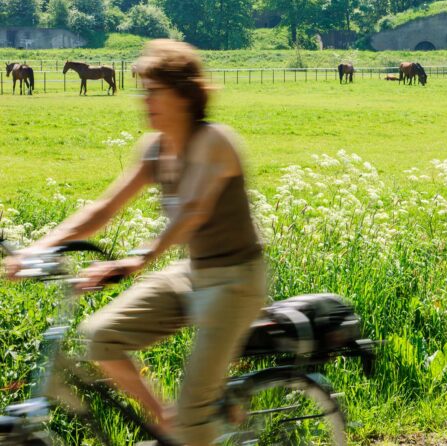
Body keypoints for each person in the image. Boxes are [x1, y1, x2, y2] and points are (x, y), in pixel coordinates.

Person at [4, 39, 267, 446]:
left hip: (236, 281)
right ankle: (164, 419)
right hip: (194, 272)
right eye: (141, 90)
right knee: (100, 336)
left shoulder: (215, 141)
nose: (142, 100)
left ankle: (191, 428)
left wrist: (133, 261)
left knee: (195, 418)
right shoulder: (155, 149)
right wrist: (40, 246)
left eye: (152, 91)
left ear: (183, 94)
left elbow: (192, 212)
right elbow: (105, 208)